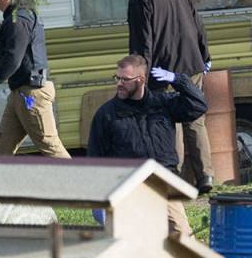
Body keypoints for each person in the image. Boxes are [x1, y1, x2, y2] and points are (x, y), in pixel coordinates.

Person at [124, 0, 215, 194]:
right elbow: (197, 21)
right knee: (195, 120)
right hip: (192, 63)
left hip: (161, 71)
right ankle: (205, 176)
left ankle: (173, 176)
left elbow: (143, 44)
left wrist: (139, 77)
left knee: (167, 122)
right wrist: (205, 55)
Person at [87, 54, 207, 235]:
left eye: (125, 79)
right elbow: (95, 159)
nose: (119, 83)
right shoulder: (106, 115)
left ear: (141, 79)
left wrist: (178, 80)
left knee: (181, 236)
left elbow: (198, 105)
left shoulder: (163, 104)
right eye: (117, 78)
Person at [0, 0, 70, 158]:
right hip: (20, 92)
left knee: (50, 147)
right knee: (1, 147)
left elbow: (12, 60)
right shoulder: (17, 16)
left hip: (31, 94)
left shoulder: (18, 20)